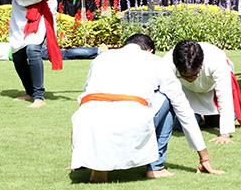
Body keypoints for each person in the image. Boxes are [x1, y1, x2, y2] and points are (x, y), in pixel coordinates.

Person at [70, 34, 224, 182]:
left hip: (88, 124)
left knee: (92, 106)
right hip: (128, 121)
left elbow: (85, 96)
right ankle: (155, 168)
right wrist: (204, 156)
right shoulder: (155, 61)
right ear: (149, 50)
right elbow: (183, 109)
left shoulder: (101, 58)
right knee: (166, 98)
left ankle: (95, 164)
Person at [163, 40, 241, 144]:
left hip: (212, 90)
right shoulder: (167, 62)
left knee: (215, 122)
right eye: (184, 76)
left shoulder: (216, 59)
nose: (189, 79)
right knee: (181, 127)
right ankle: (197, 114)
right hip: (188, 92)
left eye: (193, 75)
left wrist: (224, 134)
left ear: (201, 65)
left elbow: (224, 96)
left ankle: (210, 116)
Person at [0, 38, 105, 61]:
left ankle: (97, 51)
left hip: (21, 52)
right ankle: (96, 53)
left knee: (63, 54)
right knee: (62, 53)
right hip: (21, 47)